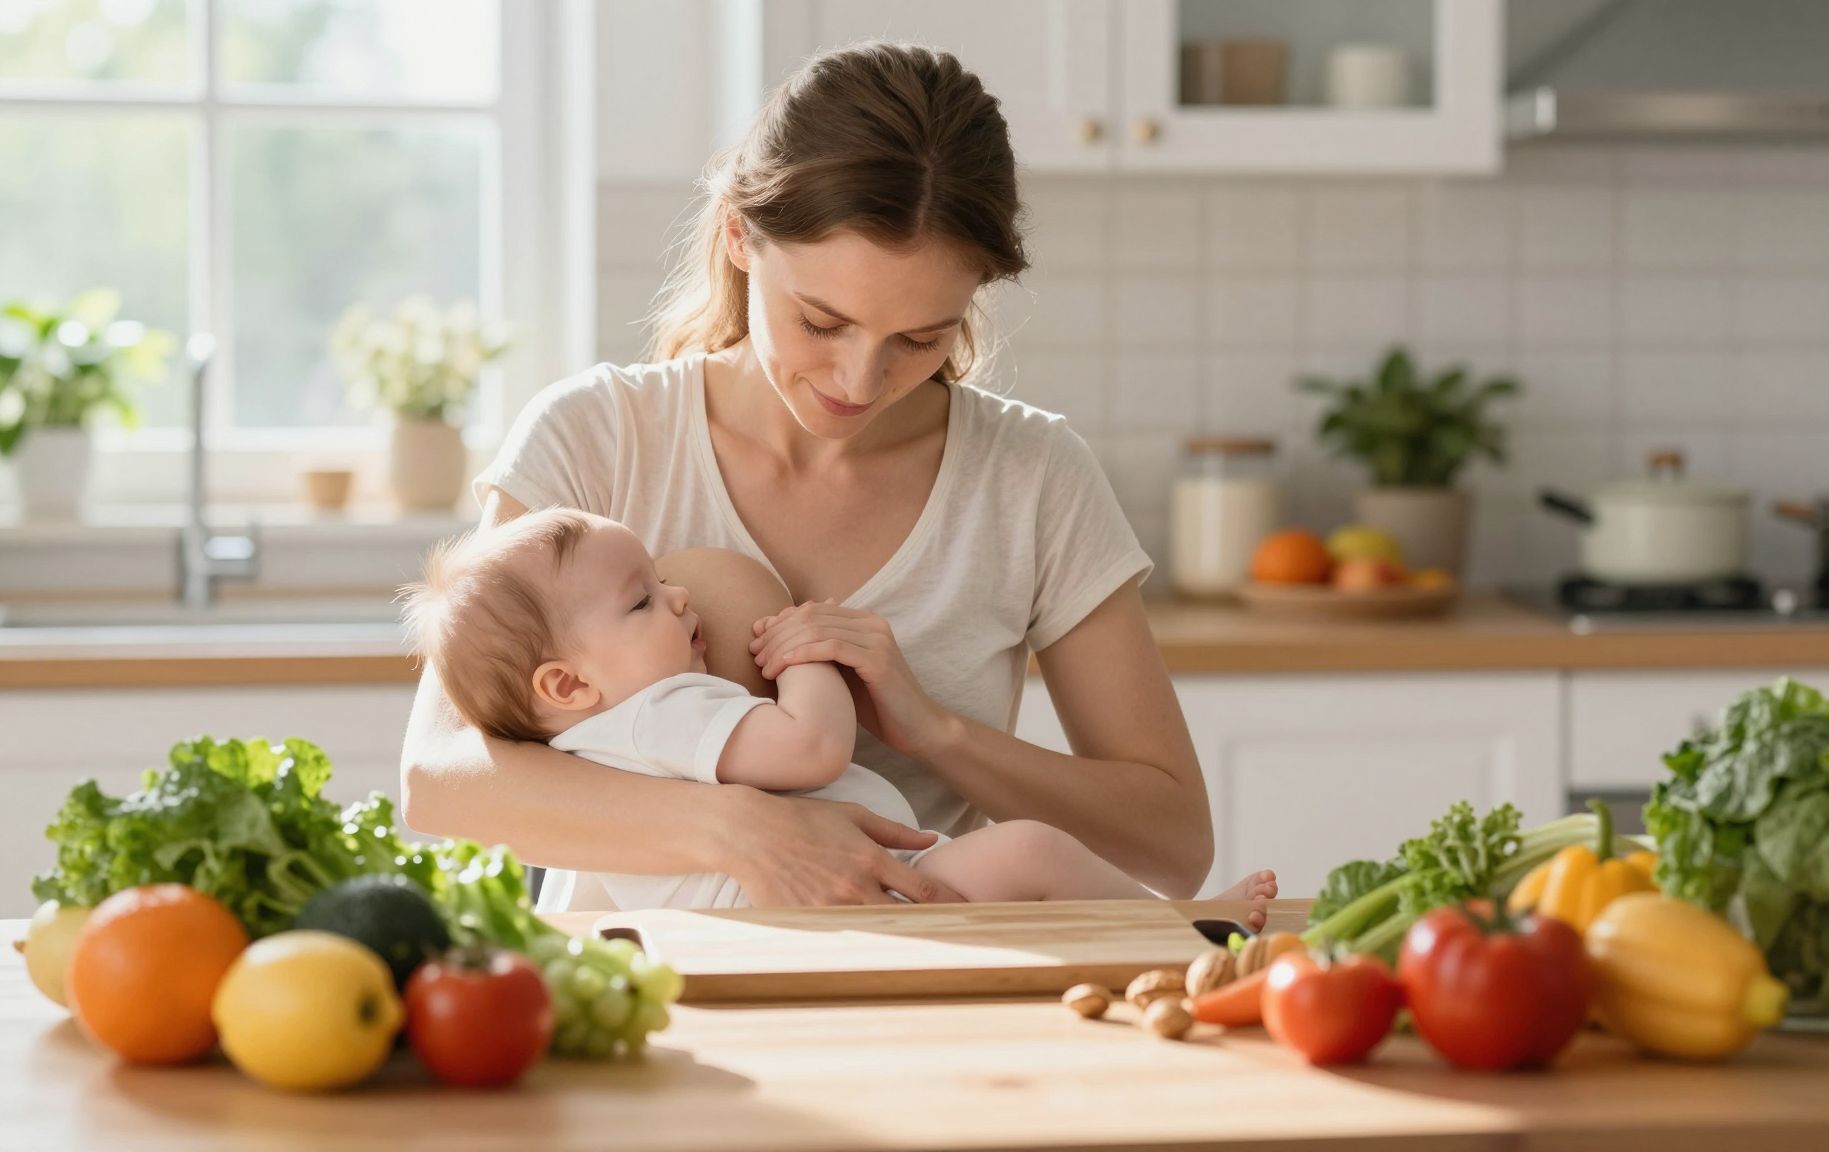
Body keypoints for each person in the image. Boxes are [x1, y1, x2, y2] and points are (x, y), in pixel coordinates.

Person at [399, 41, 1220, 911]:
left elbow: (1175, 849)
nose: (860, 382)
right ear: (738, 237)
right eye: (822, 323)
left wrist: (937, 732)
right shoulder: (600, 435)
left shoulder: (1031, 477)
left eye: (921, 339)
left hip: (932, 965)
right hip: (646, 981)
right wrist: (747, 834)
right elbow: (440, 780)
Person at [398, 508, 1277, 918]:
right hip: (824, 909)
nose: (679, 597)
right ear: (565, 687)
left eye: (660, 582)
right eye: (642, 602)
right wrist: (805, 654)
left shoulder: (610, 728)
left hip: (813, 912)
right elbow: (813, 746)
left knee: (1030, 875)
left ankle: (1176, 937)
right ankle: (1187, 934)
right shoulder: (656, 714)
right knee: (1032, 853)